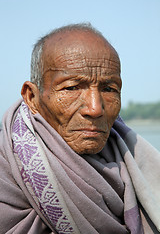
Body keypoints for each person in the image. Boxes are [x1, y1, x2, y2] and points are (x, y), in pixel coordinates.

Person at [0, 23, 160, 234]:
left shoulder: (134, 164)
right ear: (32, 97)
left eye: (109, 89)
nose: (95, 109)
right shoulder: (5, 171)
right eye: (72, 87)